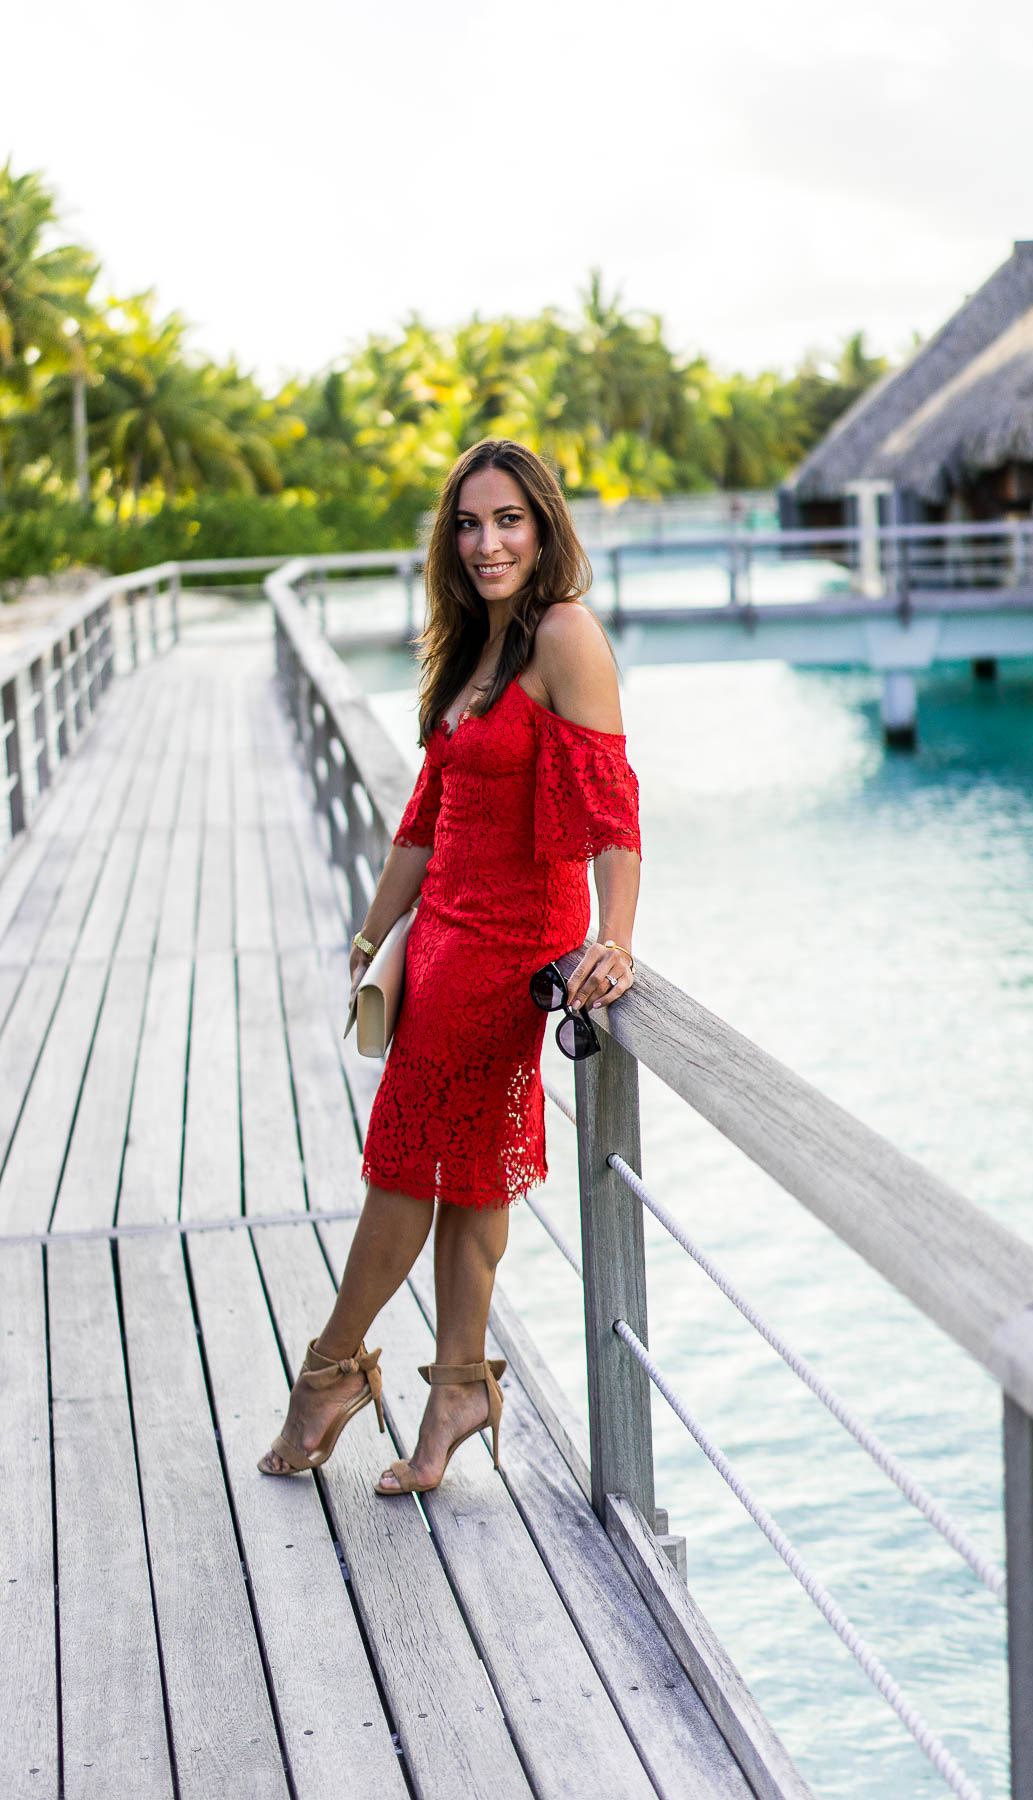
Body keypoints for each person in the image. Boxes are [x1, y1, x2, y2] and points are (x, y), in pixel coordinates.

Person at [258, 438, 641, 1495]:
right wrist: (376, 931)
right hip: (442, 943)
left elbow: (610, 801)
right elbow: (428, 818)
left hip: (513, 948)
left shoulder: (565, 634)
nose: (487, 542)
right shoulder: (478, 641)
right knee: (464, 1181)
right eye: (470, 524)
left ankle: (330, 1373)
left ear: (545, 525)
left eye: (508, 520)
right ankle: (458, 1393)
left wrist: (615, 936)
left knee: (401, 1172)